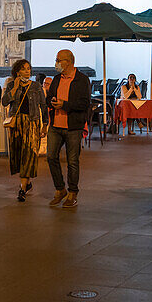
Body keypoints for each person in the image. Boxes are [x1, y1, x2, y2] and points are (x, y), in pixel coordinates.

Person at [46, 49, 90, 208]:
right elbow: (49, 97)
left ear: (69, 62)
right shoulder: (57, 79)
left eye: (58, 60)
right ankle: (60, 189)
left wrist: (64, 105)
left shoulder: (82, 80)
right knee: (51, 157)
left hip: (73, 127)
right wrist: (52, 101)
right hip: (55, 125)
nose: (56, 62)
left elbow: (84, 104)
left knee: (72, 161)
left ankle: (72, 192)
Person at [2, 58, 47, 202]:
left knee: (29, 153)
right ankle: (26, 183)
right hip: (16, 122)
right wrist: (15, 88)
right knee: (18, 154)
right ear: (17, 71)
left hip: (32, 122)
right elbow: (4, 102)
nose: (27, 71)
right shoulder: (11, 85)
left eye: (28, 68)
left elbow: (43, 107)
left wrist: (44, 125)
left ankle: (22, 188)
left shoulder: (36, 86)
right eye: (23, 68)